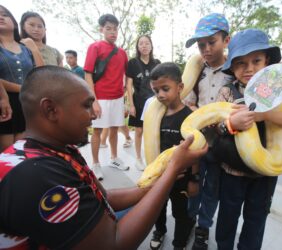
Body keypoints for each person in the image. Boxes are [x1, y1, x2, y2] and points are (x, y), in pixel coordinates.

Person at [0, 65, 207, 249]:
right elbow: (113, 244)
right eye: (86, 105)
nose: (94, 114)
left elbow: (103, 199)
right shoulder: (36, 175)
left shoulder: (58, 150)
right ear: (51, 110)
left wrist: (156, 183)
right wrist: (172, 171)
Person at [215, 28, 282, 250]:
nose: (249, 68)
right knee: (227, 217)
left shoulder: (280, 93)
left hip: (264, 175)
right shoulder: (227, 92)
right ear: (232, 66)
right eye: (241, 63)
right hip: (232, 171)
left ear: (267, 61)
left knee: (256, 219)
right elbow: (215, 126)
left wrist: (266, 114)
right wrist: (230, 124)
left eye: (256, 60)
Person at [184, 13, 233, 250]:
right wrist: (202, 115)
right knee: (193, 182)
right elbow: (188, 102)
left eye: (211, 42)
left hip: (222, 143)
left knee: (212, 187)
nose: (205, 49)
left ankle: (203, 227)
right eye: (201, 45)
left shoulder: (235, 70)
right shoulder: (197, 72)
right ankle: (190, 219)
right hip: (197, 141)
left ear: (226, 40)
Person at [147, 63, 199, 250]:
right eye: (156, 90)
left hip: (182, 177)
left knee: (181, 213)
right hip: (160, 175)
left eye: (165, 89)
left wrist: (194, 179)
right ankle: (159, 231)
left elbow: (195, 151)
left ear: (180, 87)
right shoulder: (157, 115)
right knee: (158, 208)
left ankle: (179, 243)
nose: (160, 94)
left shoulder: (190, 116)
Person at [84, 14, 129, 180]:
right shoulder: (95, 47)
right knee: (97, 131)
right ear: (101, 29)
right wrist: (93, 100)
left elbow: (126, 75)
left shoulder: (122, 53)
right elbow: (87, 74)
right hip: (100, 97)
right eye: (108, 28)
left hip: (118, 98)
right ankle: (95, 164)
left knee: (115, 129)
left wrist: (125, 99)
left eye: (115, 29)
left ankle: (114, 158)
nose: (113, 32)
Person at [0, 5, 43, 152]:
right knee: (6, 152)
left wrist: (34, 48)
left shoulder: (26, 48)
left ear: (14, 21)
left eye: (5, 14)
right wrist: (23, 88)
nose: (1, 17)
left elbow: (40, 73)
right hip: (4, 102)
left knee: (23, 151)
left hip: (26, 103)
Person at [126, 35, 160, 171]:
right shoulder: (133, 63)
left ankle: (153, 157)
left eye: (147, 43)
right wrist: (131, 104)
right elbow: (128, 85)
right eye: (141, 43)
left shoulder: (157, 63)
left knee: (154, 130)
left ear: (151, 46)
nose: (144, 46)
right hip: (139, 101)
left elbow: (162, 81)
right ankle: (138, 158)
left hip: (155, 102)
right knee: (139, 130)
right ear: (138, 47)